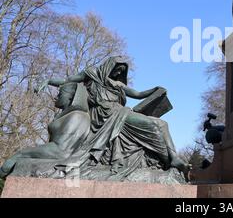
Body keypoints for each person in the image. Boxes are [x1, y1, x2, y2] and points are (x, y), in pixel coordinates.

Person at [35, 56, 190, 180]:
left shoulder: (118, 84)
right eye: (117, 70)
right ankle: (170, 159)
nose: (118, 74)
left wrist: (156, 90)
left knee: (161, 123)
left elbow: (138, 94)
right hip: (103, 117)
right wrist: (49, 81)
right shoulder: (91, 73)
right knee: (153, 124)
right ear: (110, 66)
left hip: (119, 113)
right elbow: (67, 81)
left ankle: (173, 158)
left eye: (121, 72)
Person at [0, 82, 91, 178]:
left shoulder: (77, 116)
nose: (56, 97)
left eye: (60, 94)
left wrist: (19, 154)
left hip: (66, 162)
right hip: (58, 158)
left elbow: (62, 151)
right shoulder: (69, 115)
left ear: (71, 97)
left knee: (22, 162)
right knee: (22, 163)